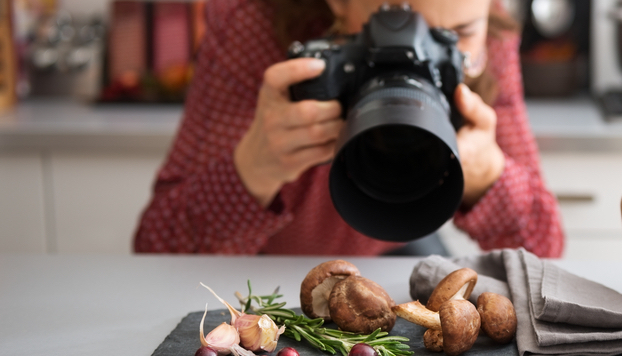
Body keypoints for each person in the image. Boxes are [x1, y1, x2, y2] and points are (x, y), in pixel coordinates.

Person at [133, 0, 564, 257]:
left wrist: (489, 176)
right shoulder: (252, 23)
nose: (418, 56)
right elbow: (157, 248)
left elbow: (545, 248)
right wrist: (253, 168)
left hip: (398, 243)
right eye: (392, 28)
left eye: (455, 35)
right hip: (259, 266)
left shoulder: (485, 29)